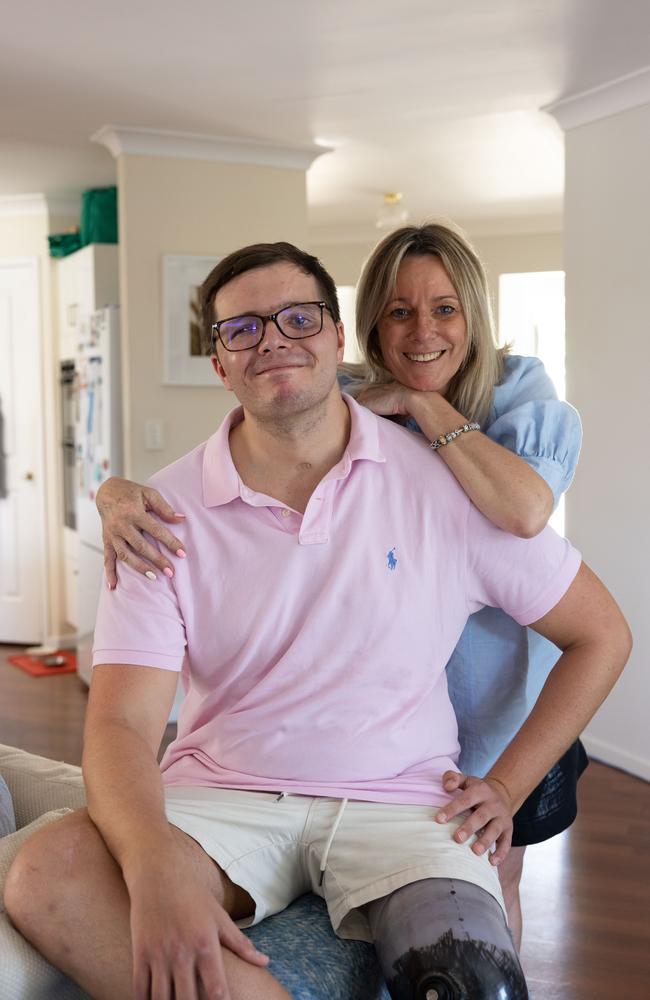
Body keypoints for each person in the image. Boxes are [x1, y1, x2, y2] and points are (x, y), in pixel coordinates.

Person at [5, 241, 630, 1000]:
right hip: (224, 795)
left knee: (472, 978)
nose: (271, 340)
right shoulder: (159, 517)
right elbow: (119, 728)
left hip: (403, 801)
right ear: (220, 364)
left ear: (338, 339)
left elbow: (600, 632)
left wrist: (504, 786)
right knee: (45, 871)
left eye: (297, 318)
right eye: (241, 329)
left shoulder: (452, 483)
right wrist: (153, 862)